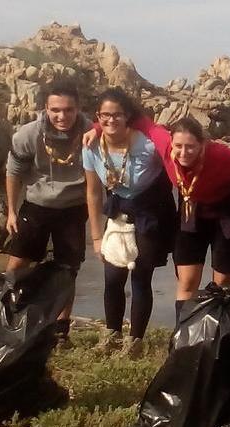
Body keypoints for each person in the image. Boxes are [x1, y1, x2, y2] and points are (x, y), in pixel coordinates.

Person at [121, 116, 230, 317]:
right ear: (171, 143)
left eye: (191, 147)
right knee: (187, 282)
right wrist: (96, 129)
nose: (184, 152)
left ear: (202, 144)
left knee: (223, 284)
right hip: (190, 215)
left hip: (225, 217)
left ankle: (219, 338)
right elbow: (142, 121)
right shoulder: (165, 145)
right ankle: (183, 338)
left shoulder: (221, 155)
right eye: (179, 146)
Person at [83, 88, 176, 358]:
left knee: (140, 278)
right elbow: (92, 192)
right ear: (97, 117)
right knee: (112, 278)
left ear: (128, 116)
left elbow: (178, 162)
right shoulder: (91, 146)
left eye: (117, 115)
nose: (111, 121)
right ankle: (112, 335)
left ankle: (134, 342)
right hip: (117, 215)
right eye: (105, 115)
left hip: (150, 216)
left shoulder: (147, 145)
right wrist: (97, 237)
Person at [5, 79, 93, 345]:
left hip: (73, 209)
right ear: (46, 108)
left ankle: (61, 328)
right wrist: (11, 211)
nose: (61, 116)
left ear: (77, 109)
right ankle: (7, 314)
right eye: (55, 110)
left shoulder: (90, 131)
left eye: (68, 110)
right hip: (36, 205)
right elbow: (13, 173)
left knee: (68, 270)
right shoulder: (28, 134)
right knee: (18, 262)